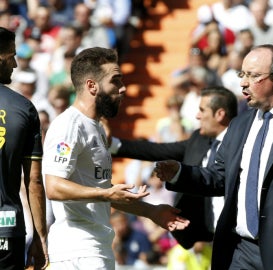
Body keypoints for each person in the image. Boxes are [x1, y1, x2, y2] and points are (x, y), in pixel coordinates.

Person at [154, 44, 273, 270]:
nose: (243, 82)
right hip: (241, 251)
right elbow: (219, 177)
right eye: (242, 74)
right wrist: (179, 173)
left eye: (253, 75)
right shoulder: (239, 124)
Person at [41, 47, 189, 270]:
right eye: (115, 81)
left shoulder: (97, 128)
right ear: (92, 85)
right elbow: (53, 187)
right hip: (76, 252)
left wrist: (151, 212)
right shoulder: (69, 126)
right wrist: (105, 193)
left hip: (95, 249)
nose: (123, 88)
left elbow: (99, 190)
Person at [111, 86, 238, 249]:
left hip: (239, 237)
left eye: (202, 110)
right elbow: (158, 150)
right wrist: (112, 143)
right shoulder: (198, 139)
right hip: (208, 240)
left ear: (220, 114)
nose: (197, 116)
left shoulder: (244, 143)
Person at [0, 26, 48, 269]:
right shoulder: (24, 108)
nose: (16, 65)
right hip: (6, 228)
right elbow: (34, 182)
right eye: (12, 56)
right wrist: (40, 238)